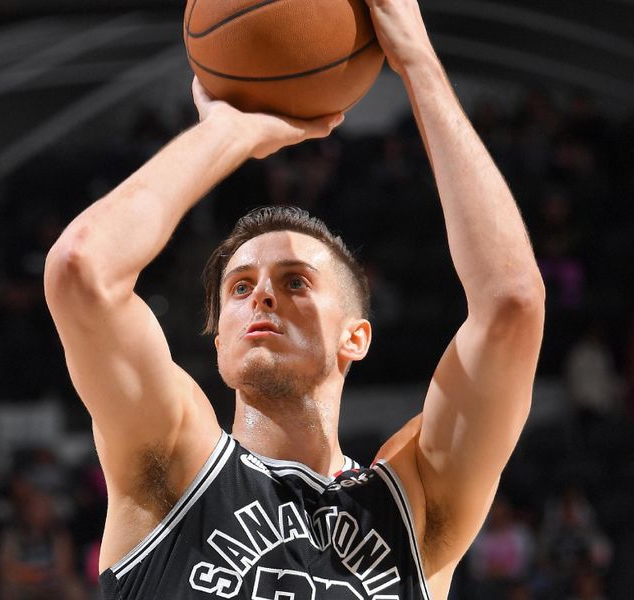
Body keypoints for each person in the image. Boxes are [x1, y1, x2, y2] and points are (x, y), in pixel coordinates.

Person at [43, 0, 545, 598]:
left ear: (355, 336)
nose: (261, 297)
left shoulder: (414, 505)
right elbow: (81, 270)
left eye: (295, 281)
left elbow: (511, 303)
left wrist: (417, 61)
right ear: (219, 337)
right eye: (239, 287)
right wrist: (229, 132)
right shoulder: (174, 468)